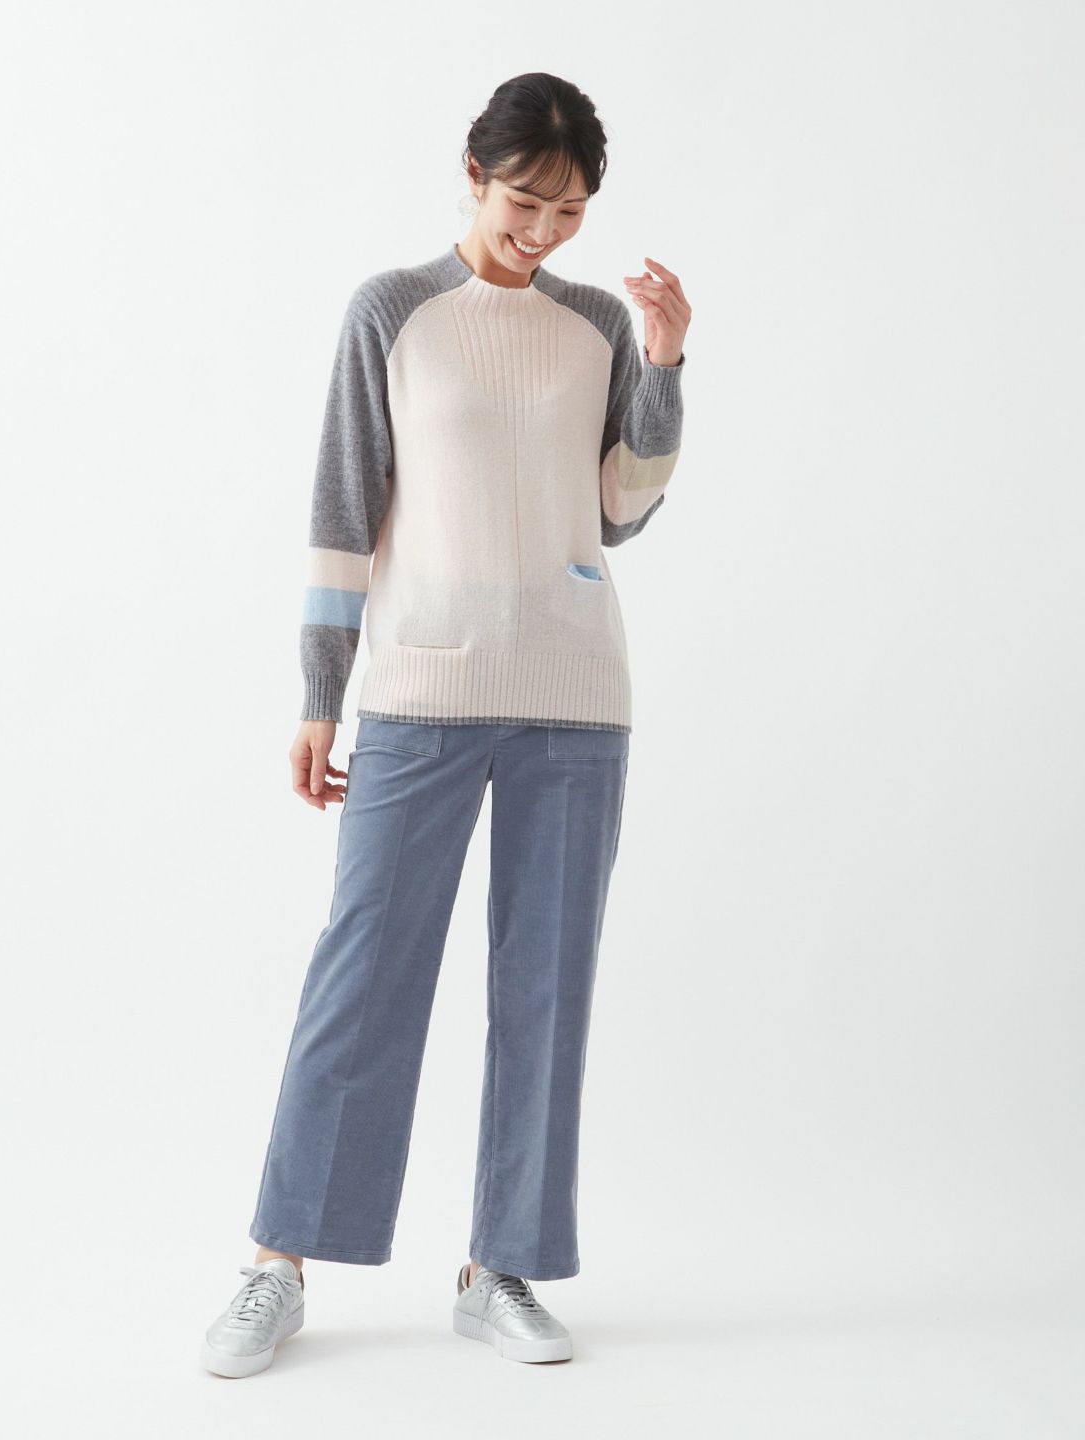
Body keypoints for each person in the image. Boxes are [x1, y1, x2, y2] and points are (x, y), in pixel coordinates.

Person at [200, 70, 691, 1378]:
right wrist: (320, 692)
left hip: (573, 697)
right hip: (420, 690)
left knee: (546, 989)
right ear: (474, 175)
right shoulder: (394, 311)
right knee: (363, 975)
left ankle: (501, 1266)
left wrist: (662, 365)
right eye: (525, 201)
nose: (542, 231)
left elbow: (624, 509)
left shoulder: (595, 323)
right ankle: (278, 1263)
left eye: (569, 212)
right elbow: (341, 506)